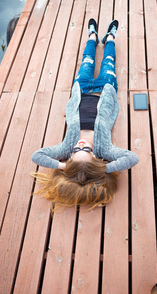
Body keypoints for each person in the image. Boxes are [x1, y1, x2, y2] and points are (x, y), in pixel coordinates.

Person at [31, 19, 139, 212]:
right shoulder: (104, 149)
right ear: (96, 157)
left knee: (87, 60)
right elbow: (131, 158)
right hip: (105, 89)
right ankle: (110, 38)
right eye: (85, 151)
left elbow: (37, 155)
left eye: (74, 153)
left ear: (69, 157)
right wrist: (102, 169)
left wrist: (63, 166)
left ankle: (92, 35)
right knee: (108, 62)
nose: (79, 146)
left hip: (81, 88)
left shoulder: (65, 148)